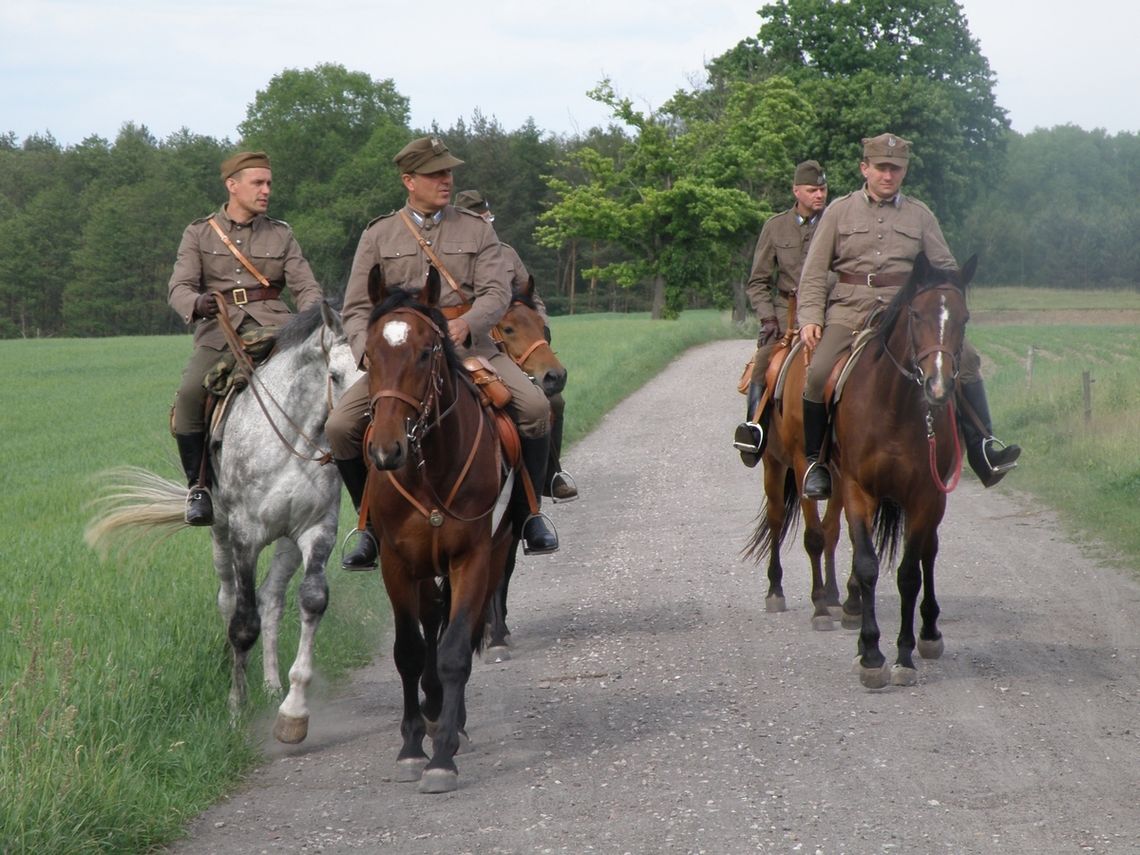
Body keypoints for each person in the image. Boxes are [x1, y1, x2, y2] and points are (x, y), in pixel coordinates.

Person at [328, 137, 559, 569]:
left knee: (534, 407)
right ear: (409, 181)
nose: (446, 180)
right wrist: (368, 354)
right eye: (436, 174)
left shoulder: (477, 229)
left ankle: (530, 514)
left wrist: (466, 323)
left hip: (470, 347)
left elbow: (496, 291)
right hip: (401, 359)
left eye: (448, 172)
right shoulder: (379, 234)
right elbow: (357, 307)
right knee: (340, 426)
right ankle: (370, 526)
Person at [796, 133, 1021, 500]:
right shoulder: (839, 210)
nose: (888, 176)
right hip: (851, 310)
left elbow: (946, 268)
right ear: (864, 168)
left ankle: (983, 450)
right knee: (818, 373)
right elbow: (814, 270)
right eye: (881, 168)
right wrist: (809, 316)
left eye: (896, 169)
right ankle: (816, 464)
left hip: (908, 312)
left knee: (967, 359)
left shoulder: (920, 215)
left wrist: (947, 298)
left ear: (904, 171)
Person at [167, 151, 324, 525]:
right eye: (258, 183)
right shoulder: (199, 233)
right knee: (190, 395)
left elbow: (306, 288)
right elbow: (179, 287)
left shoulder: (281, 233)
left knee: (328, 385)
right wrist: (197, 302)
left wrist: (313, 321)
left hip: (277, 327)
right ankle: (199, 488)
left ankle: (333, 476)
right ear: (232, 185)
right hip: (219, 330)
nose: (266, 190)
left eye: (269, 183)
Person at [454, 189, 578, 501]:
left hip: (514, 342)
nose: (485, 224)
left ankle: (549, 475)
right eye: (478, 219)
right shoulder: (447, 257)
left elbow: (532, 298)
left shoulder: (506, 254)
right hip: (468, 342)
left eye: (487, 218)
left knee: (553, 403)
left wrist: (541, 328)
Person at [733, 160, 829, 467]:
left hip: (829, 310)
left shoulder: (836, 223)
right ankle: (754, 429)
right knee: (763, 362)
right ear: (796, 191)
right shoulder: (775, 227)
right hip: (786, 313)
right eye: (812, 190)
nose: (819, 195)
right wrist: (768, 318)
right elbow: (758, 282)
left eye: (823, 189)